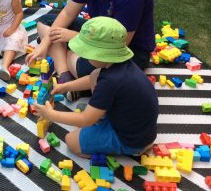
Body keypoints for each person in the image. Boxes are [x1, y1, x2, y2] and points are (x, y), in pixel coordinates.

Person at [25, 0, 155, 100]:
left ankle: (75, 75)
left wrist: (71, 37)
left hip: (127, 51)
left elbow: (119, 44)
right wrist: (45, 44)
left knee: (81, 62)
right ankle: (65, 75)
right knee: (46, 23)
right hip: (97, 33)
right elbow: (67, 13)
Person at [34, 17, 158, 156]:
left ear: (102, 54)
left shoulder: (110, 82)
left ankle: (131, 150)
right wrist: (66, 87)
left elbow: (86, 119)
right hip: (139, 128)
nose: (83, 56)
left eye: (87, 53)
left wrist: (51, 114)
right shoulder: (119, 65)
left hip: (129, 140)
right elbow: (91, 79)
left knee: (71, 141)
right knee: (94, 76)